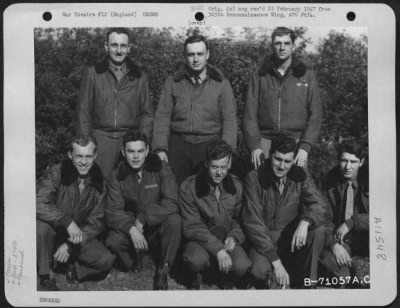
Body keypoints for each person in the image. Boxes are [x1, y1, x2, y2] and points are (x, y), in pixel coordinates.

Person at [241, 137, 331, 289]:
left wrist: (305, 222)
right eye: (278, 159)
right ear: (270, 154)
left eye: (287, 161)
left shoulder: (300, 175)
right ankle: (274, 282)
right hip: (264, 240)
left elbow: (320, 204)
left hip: (290, 238)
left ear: (293, 160)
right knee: (259, 270)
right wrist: (276, 263)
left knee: (318, 230)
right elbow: (253, 223)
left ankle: (308, 285)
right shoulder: (254, 178)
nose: (282, 166)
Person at [152, 35, 237, 185]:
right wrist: (160, 148)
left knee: (204, 193)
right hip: (178, 146)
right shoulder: (173, 82)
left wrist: (226, 152)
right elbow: (162, 117)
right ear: (185, 56)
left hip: (209, 144)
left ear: (208, 55)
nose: (196, 59)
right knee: (175, 189)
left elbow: (229, 120)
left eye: (200, 54)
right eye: (191, 54)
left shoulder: (221, 84)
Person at [105, 130, 181, 290]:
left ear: (147, 150)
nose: (136, 156)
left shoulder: (161, 168)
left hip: (155, 226)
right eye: (131, 151)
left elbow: (172, 202)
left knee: (174, 221)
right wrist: (131, 229)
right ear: (123, 152)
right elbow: (112, 211)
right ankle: (134, 261)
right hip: (132, 227)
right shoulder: (117, 174)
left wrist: (144, 217)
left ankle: (164, 267)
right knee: (113, 240)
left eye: (140, 151)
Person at [36, 136, 114, 291]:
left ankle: (72, 267)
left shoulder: (100, 183)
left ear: (95, 156)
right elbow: (38, 203)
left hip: (77, 237)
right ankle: (46, 275)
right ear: (70, 155)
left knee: (106, 260)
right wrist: (65, 220)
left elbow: (96, 222)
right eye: (79, 156)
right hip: (54, 230)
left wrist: (70, 245)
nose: (84, 162)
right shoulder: (55, 173)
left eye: (88, 156)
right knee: (41, 227)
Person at [76, 27, 153, 181]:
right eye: (114, 45)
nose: (119, 50)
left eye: (123, 46)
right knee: (100, 186)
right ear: (106, 47)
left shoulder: (139, 77)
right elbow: (83, 111)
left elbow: (147, 113)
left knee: (129, 186)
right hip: (101, 138)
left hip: (130, 139)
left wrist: (141, 142)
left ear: (129, 48)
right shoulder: (93, 74)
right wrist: (86, 143)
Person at [243, 27, 322, 169]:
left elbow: (315, 114)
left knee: (295, 188)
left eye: (286, 43)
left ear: (294, 46)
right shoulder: (260, 75)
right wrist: (255, 146)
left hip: (296, 143)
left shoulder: (307, 76)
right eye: (278, 43)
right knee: (262, 187)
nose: (282, 47)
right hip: (264, 141)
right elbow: (250, 113)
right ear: (271, 45)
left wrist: (305, 147)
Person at [179, 139, 251, 289]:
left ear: (230, 164)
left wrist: (234, 236)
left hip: (226, 237)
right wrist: (217, 249)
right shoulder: (189, 187)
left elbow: (241, 219)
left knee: (242, 266)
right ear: (206, 163)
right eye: (214, 167)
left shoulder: (237, 186)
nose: (219, 172)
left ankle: (225, 280)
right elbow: (192, 226)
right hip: (202, 239)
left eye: (223, 167)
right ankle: (196, 277)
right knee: (195, 259)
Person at [319, 140, 369, 286]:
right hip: (341, 241)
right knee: (328, 259)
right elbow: (323, 218)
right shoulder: (329, 182)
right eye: (344, 161)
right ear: (338, 160)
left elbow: (383, 216)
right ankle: (345, 278)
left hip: (367, 240)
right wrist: (334, 245)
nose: (348, 167)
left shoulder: (372, 179)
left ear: (361, 162)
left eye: (353, 162)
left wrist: (352, 222)